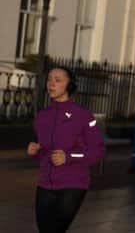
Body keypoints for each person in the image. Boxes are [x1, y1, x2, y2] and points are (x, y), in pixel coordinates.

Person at [26, 66, 106, 233]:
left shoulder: (84, 116)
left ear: (69, 86)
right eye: (49, 79)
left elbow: (98, 151)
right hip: (45, 184)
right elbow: (45, 153)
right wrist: (35, 152)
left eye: (58, 80)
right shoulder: (42, 116)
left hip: (73, 184)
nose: (51, 84)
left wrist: (69, 157)